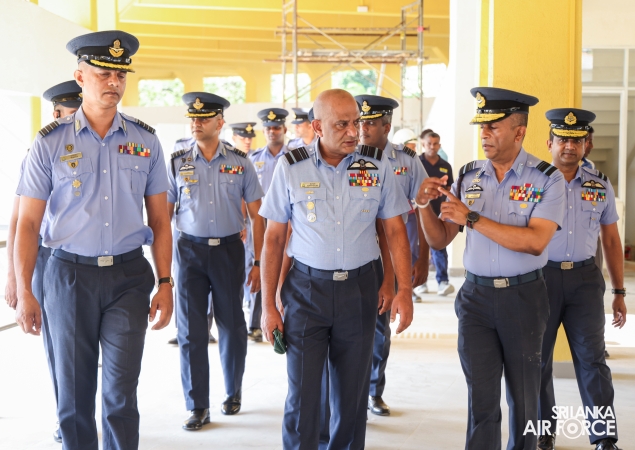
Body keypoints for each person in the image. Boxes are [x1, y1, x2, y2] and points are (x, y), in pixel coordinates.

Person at [14, 30, 173, 450]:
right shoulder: (50, 143)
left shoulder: (145, 140)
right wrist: (25, 289)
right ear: (80, 77)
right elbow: (27, 223)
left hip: (128, 277)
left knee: (121, 394)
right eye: (103, 73)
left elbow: (160, 220)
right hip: (68, 277)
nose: (114, 82)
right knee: (73, 395)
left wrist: (165, 281)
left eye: (120, 75)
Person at [259, 89, 414, 449]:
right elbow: (274, 239)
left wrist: (403, 289)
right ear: (317, 127)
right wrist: (268, 306)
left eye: (356, 122)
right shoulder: (291, 167)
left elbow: (395, 231)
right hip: (306, 291)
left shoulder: (376, 165)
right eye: (341, 124)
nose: (353, 132)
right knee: (303, 395)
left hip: (358, 291)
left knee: (351, 397)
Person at [415, 87, 565, 450]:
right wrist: (422, 205)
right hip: (476, 300)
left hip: (523, 298)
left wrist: (472, 218)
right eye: (482, 127)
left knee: (525, 399)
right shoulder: (469, 176)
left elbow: (535, 241)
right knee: (480, 400)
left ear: (519, 131)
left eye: (493, 126)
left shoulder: (547, 179)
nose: (484, 133)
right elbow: (440, 240)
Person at [168, 92, 265, 430]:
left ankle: (232, 391)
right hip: (189, 252)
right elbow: (163, 214)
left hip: (228, 251)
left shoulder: (240, 162)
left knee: (233, 325)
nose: (196, 123)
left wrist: (259, 262)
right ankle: (197, 405)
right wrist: (164, 270)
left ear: (219, 122)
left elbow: (258, 216)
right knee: (191, 331)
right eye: (193, 118)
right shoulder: (177, 162)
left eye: (204, 118)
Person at [537, 109, 626, 450]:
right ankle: (542, 433)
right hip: (541, 279)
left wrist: (619, 291)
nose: (569, 146)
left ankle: (604, 437)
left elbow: (612, 241)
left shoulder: (599, 184)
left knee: (593, 360)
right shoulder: (534, 183)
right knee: (537, 360)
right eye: (562, 139)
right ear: (549, 143)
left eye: (576, 140)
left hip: (586, 281)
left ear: (586, 144)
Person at [5, 79, 82, 444]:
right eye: (72, 112)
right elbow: (19, 221)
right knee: (61, 350)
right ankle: (67, 417)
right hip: (49, 259)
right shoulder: (40, 151)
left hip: (90, 261)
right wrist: (14, 278)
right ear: (56, 113)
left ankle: (82, 413)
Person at [356, 95, 429, 417]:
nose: (363, 128)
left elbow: (424, 209)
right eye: (360, 121)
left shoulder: (407, 161)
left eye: (371, 123)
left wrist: (422, 257)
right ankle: (350, 393)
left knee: (379, 326)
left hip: (390, 255)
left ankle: (374, 391)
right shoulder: (348, 156)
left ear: (386, 127)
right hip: (355, 252)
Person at [247, 108, 290, 342]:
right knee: (262, 268)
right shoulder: (253, 159)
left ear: (284, 129)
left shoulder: (296, 156)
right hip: (261, 222)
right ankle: (256, 323)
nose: (272, 131)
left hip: (289, 223)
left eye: (276, 127)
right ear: (263, 131)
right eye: (268, 128)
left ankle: (286, 316)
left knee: (286, 271)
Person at [417, 132, 455, 296]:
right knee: (420, 248)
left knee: (439, 247)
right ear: (423, 144)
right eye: (429, 143)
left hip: (439, 214)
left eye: (435, 143)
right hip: (419, 214)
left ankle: (443, 282)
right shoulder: (417, 163)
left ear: (439, 145)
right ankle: (420, 283)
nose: (432, 147)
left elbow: (450, 189)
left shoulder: (445, 166)